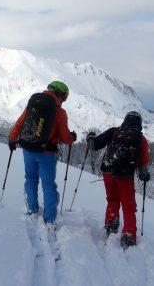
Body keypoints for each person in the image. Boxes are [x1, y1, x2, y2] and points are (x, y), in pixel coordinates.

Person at [8, 81, 76, 230]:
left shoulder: (33, 103)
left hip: (28, 150)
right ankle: (49, 220)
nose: (64, 100)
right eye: (64, 97)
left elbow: (20, 123)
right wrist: (72, 137)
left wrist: (12, 139)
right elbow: (65, 138)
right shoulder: (59, 112)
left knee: (31, 180)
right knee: (48, 186)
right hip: (47, 153)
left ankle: (32, 210)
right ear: (60, 94)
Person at [86, 111, 150, 248]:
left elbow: (94, 145)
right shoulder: (141, 139)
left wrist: (90, 136)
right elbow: (143, 167)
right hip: (125, 175)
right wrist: (144, 175)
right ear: (139, 124)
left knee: (112, 199)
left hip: (108, 172)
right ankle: (128, 235)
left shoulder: (114, 131)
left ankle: (111, 223)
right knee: (128, 206)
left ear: (125, 120)